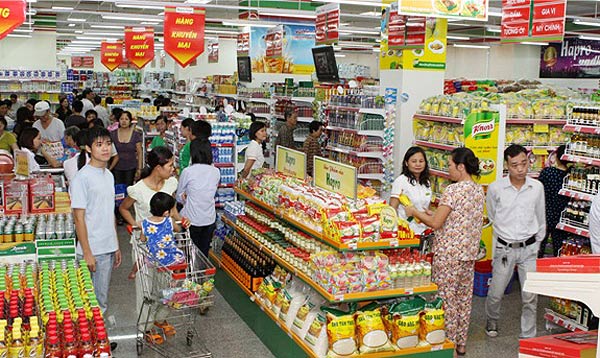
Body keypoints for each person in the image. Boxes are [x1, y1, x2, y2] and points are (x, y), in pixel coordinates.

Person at [405, 147, 484, 356]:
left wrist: (415, 212)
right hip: (469, 253)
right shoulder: (478, 189)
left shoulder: (453, 190)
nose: (448, 169)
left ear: (460, 166)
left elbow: (436, 223)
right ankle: (461, 344)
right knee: (464, 299)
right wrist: (431, 213)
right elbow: (459, 218)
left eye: (450, 165)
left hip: (449, 254)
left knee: (447, 300)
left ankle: (448, 346)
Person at [485, 144, 545, 339]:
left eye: (524, 164)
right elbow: (492, 215)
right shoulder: (496, 188)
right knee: (496, 291)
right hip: (505, 248)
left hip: (529, 249)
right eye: (514, 165)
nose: (520, 169)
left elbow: (541, 217)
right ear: (507, 166)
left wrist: (537, 242)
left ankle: (528, 333)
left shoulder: (536, 187)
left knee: (530, 295)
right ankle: (491, 319)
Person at [71, 127, 122, 316]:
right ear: (88, 149)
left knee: (101, 300)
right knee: (89, 302)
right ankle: (92, 342)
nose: (106, 149)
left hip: (107, 247)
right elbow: (79, 217)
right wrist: (86, 253)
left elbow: (108, 213)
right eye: (99, 145)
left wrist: (115, 245)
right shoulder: (82, 178)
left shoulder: (108, 175)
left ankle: (98, 341)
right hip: (92, 249)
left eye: (108, 144)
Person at [139, 192, 186, 335]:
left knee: (157, 294)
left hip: (156, 263)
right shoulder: (169, 222)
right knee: (168, 294)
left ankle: (151, 323)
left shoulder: (145, 223)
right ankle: (160, 318)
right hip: (173, 262)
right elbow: (179, 230)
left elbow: (142, 239)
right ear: (167, 212)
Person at [177, 138, 220, 257]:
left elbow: (179, 196)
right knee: (204, 252)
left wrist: (185, 198)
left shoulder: (188, 172)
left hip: (191, 220)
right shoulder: (216, 171)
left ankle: (192, 274)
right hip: (209, 218)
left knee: (190, 253)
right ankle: (204, 274)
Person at [390, 147, 433, 235]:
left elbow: (427, 207)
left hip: (425, 229)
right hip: (406, 231)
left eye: (421, 161)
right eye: (414, 161)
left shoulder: (426, 182)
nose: (418, 164)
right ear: (406, 163)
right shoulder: (401, 181)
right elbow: (392, 207)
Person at [537, 145, 569, 257]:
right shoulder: (571, 176)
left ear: (556, 157)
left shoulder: (548, 172)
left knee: (538, 247)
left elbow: (538, 191)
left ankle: (535, 270)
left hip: (544, 214)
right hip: (562, 217)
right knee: (560, 249)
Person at [110, 110, 142, 186]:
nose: (124, 121)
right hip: (116, 167)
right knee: (118, 190)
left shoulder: (135, 135)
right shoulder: (113, 134)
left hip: (131, 167)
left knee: (129, 189)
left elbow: (139, 152)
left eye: (126, 119)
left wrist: (139, 169)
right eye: (122, 119)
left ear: (130, 121)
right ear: (118, 120)